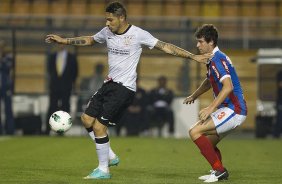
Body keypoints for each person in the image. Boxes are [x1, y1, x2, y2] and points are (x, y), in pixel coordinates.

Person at [45, 1, 211, 179]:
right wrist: (65, 40)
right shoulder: (107, 31)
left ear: (121, 17)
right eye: (106, 19)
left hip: (124, 88)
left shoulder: (138, 34)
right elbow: (90, 40)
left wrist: (193, 56)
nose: (107, 23)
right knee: (86, 119)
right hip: (108, 84)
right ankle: (110, 155)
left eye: (110, 19)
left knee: (100, 127)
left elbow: (165, 46)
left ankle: (103, 170)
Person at [183, 24, 247, 183]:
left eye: (200, 42)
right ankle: (217, 170)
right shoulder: (213, 59)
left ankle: (219, 171)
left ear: (211, 42)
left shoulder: (218, 59)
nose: (197, 45)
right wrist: (194, 95)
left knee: (194, 131)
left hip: (235, 109)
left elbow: (228, 87)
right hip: (230, 108)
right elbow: (209, 80)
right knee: (207, 144)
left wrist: (210, 107)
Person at [45, 44, 78, 135]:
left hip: (66, 87)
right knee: (52, 107)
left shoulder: (71, 57)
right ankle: (47, 129)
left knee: (65, 107)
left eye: (62, 43)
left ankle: (62, 130)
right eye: (59, 43)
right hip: (54, 87)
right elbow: (49, 70)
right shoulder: (52, 56)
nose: (60, 46)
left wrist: (71, 84)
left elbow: (75, 72)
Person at [0, 40, 15, 135]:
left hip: (6, 87)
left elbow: (7, 67)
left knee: (8, 109)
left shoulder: (8, 58)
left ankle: (10, 129)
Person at [273, 70, 282, 138]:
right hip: (280, 101)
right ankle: (276, 134)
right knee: (279, 118)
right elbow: (280, 84)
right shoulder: (280, 74)